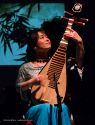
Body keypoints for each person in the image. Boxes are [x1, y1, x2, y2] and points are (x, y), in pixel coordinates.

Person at [16, 27, 84, 125]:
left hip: (58, 105)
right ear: (34, 47)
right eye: (42, 37)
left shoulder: (59, 63)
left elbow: (79, 64)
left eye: (47, 37)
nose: (47, 39)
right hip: (36, 107)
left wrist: (80, 43)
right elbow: (18, 88)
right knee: (46, 107)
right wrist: (31, 81)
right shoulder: (26, 67)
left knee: (63, 107)